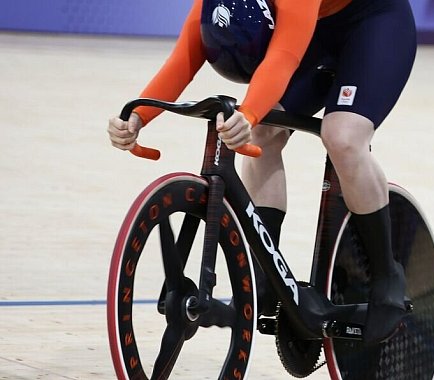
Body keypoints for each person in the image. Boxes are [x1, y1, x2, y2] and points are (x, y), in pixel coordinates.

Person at [106, 0, 417, 345]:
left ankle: (388, 275)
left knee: (342, 137)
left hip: (374, 23)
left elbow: (282, 58)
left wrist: (250, 112)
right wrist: (139, 116)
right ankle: (266, 280)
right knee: (261, 136)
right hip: (312, 34)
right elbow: (185, 57)